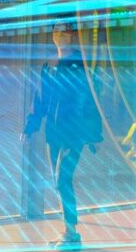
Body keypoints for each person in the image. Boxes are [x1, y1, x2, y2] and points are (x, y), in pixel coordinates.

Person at [20, 22, 104, 249]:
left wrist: (94, 135)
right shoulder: (49, 65)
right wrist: (30, 127)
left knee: (61, 178)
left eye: (65, 31)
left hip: (74, 132)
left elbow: (93, 100)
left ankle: (71, 231)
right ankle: (68, 230)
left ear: (73, 35)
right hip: (54, 133)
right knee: (58, 181)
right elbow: (40, 100)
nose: (60, 35)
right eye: (57, 31)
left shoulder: (81, 64)